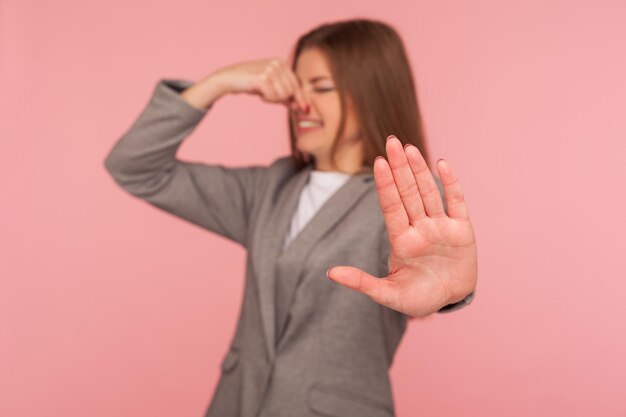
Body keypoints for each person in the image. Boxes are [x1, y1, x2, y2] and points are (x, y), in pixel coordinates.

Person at [104, 18, 477, 417]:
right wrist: (219, 83)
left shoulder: (404, 197)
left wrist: (452, 293)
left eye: (320, 87)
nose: (301, 103)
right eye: (297, 88)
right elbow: (134, 166)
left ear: (371, 91)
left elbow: (433, 274)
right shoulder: (269, 189)